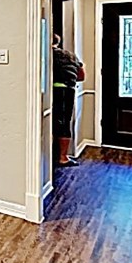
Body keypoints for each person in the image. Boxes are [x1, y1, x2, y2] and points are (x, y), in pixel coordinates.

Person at [52, 33, 85, 167]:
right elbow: (81, 76)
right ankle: (63, 157)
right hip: (69, 90)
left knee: (55, 122)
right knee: (64, 122)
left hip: (55, 90)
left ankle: (59, 157)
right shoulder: (70, 55)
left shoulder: (47, 54)